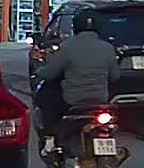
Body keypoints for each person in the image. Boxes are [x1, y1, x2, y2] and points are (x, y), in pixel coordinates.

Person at [34, 9, 119, 154]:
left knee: (46, 96)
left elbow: (50, 73)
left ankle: (50, 139)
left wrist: (38, 70)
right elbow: (115, 76)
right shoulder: (108, 48)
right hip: (100, 99)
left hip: (73, 99)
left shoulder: (67, 47)